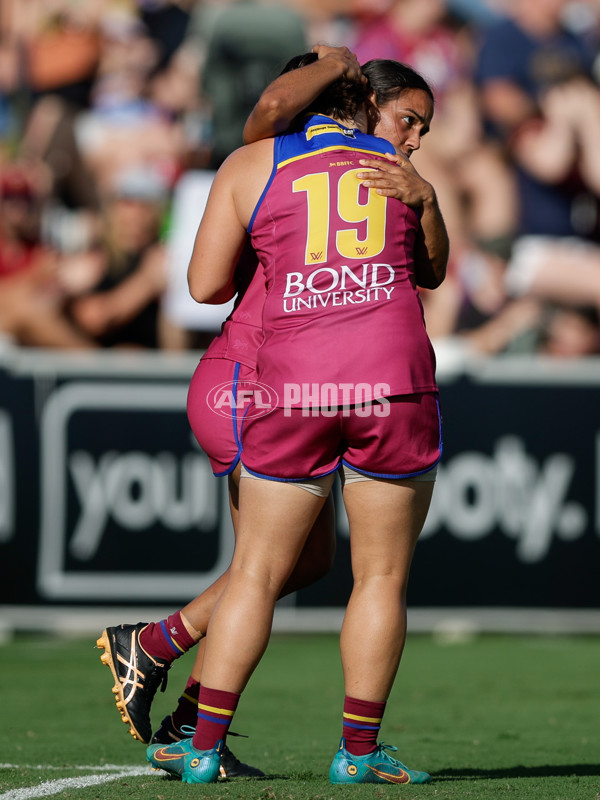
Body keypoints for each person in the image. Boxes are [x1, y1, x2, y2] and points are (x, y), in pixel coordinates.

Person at [98, 49, 447, 781]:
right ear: (365, 103)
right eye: (408, 120)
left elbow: (203, 282)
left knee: (288, 561)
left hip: (286, 382)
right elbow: (433, 273)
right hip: (272, 376)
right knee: (344, 571)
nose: (413, 139)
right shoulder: (374, 172)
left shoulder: (263, 166)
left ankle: (186, 710)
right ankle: (176, 668)